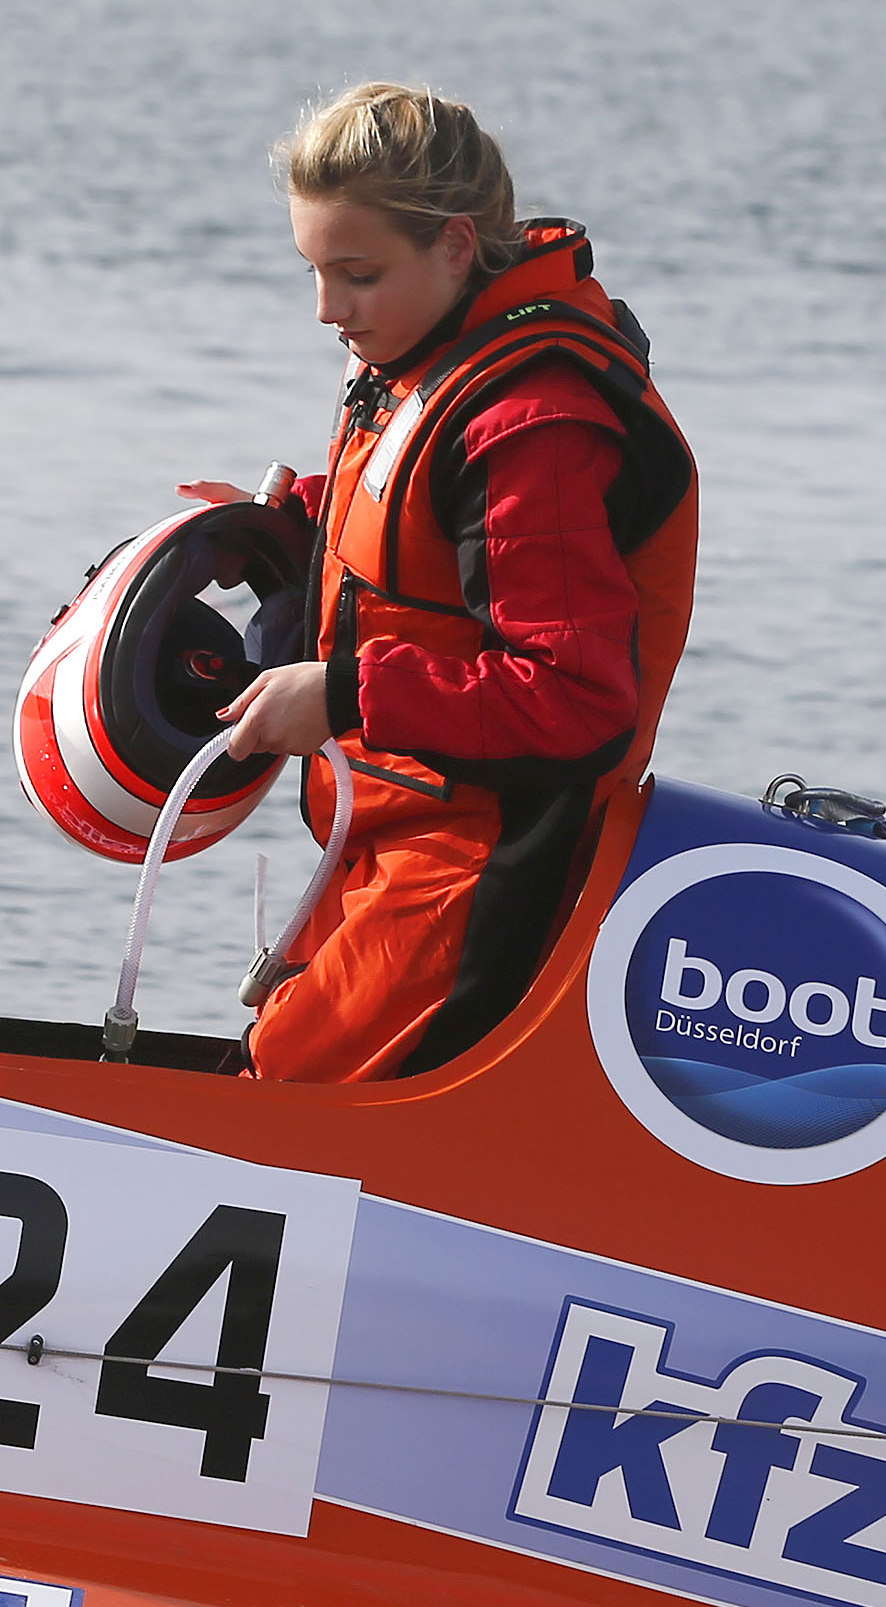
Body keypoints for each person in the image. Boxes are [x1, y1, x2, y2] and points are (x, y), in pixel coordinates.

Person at [211, 84, 699, 1083]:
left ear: (456, 247)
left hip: (483, 859)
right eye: (314, 271)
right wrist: (286, 534)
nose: (327, 309)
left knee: (286, 1092)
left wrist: (342, 693)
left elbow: (575, 698)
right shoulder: (421, 348)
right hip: (385, 833)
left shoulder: (535, 423)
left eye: (357, 274)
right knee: (260, 1071)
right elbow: (430, 546)